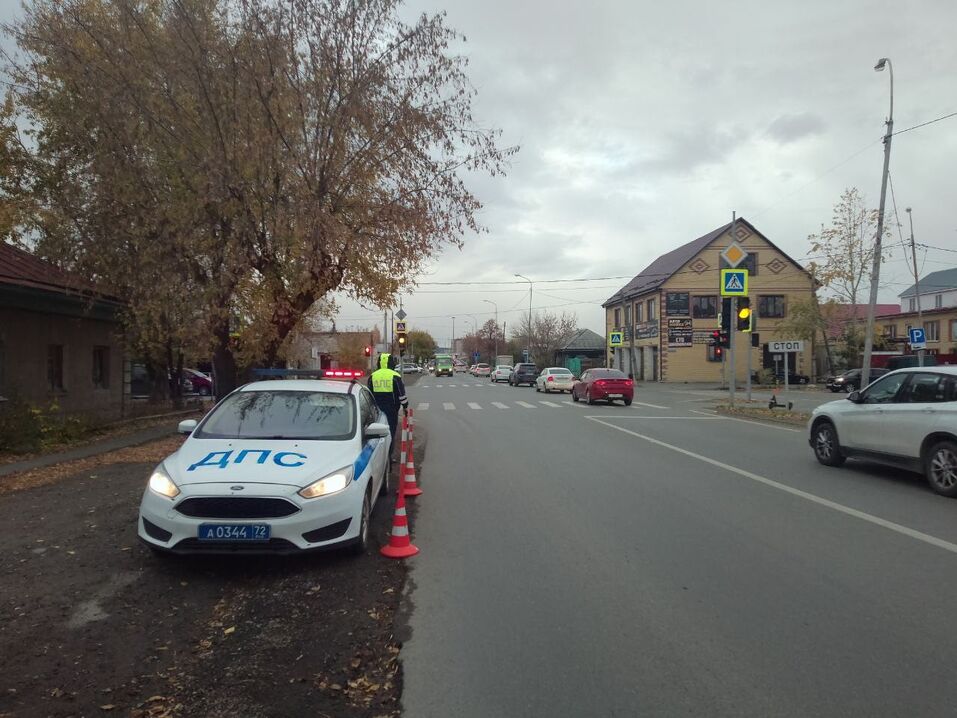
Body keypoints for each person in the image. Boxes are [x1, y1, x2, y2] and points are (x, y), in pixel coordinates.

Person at [368, 352, 409, 461]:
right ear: (391, 363)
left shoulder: (373, 376)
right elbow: (401, 395)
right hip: (391, 410)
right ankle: (388, 457)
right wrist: (405, 407)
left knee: (376, 434)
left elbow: (369, 395)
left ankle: (377, 458)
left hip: (376, 411)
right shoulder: (395, 376)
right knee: (390, 432)